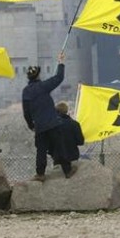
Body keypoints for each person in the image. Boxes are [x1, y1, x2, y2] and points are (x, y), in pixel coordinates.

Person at [22, 52, 76, 182]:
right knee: (59, 146)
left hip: (39, 126)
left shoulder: (26, 92)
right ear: (38, 75)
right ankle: (67, 170)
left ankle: (40, 174)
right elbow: (59, 77)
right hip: (52, 123)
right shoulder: (43, 86)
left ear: (29, 78)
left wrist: (31, 125)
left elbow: (26, 112)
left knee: (41, 150)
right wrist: (61, 62)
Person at [52, 101, 84, 165]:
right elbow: (80, 141)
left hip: (58, 157)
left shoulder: (53, 125)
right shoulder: (75, 124)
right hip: (73, 156)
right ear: (66, 111)